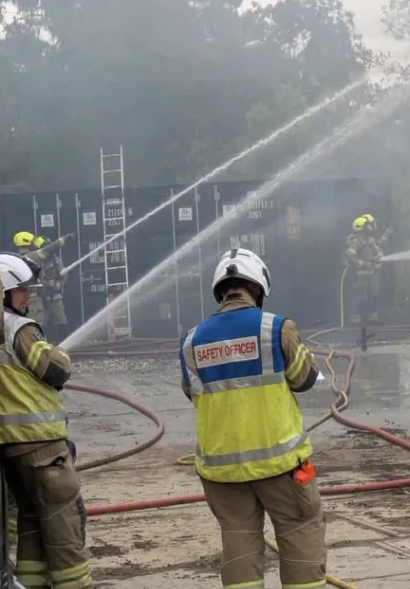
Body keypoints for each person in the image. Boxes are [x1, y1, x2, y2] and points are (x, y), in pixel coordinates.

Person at [179, 248, 327, 589]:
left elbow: (193, 393)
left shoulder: (190, 342)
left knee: (238, 544)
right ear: (258, 288)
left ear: (221, 290)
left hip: (222, 472)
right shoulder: (276, 329)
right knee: (300, 535)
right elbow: (304, 380)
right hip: (281, 467)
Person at [0, 252, 91, 589]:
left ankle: (31, 583)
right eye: (21, 289)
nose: (28, 295)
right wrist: (60, 353)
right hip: (42, 446)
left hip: (10, 450)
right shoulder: (19, 328)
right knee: (64, 526)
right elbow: (54, 369)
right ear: (3, 289)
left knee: (32, 522)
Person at [13, 231, 73, 335]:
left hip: (22, 298)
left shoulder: (15, 258)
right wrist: (65, 238)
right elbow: (50, 249)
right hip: (32, 299)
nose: (34, 245)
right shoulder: (31, 256)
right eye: (32, 243)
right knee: (38, 323)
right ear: (26, 243)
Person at [344, 214, 393, 325]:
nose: (373, 227)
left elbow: (378, 249)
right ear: (362, 227)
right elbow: (351, 256)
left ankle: (371, 317)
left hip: (372, 273)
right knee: (359, 295)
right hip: (360, 275)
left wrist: (378, 257)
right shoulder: (356, 241)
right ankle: (355, 318)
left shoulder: (370, 239)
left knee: (373, 294)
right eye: (370, 225)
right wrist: (363, 264)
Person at [33, 236, 70, 345]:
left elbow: (64, 275)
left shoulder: (55, 261)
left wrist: (58, 284)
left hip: (54, 296)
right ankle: (41, 342)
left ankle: (62, 342)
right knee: (42, 321)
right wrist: (44, 285)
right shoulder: (37, 262)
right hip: (41, 298)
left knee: (61, 318)